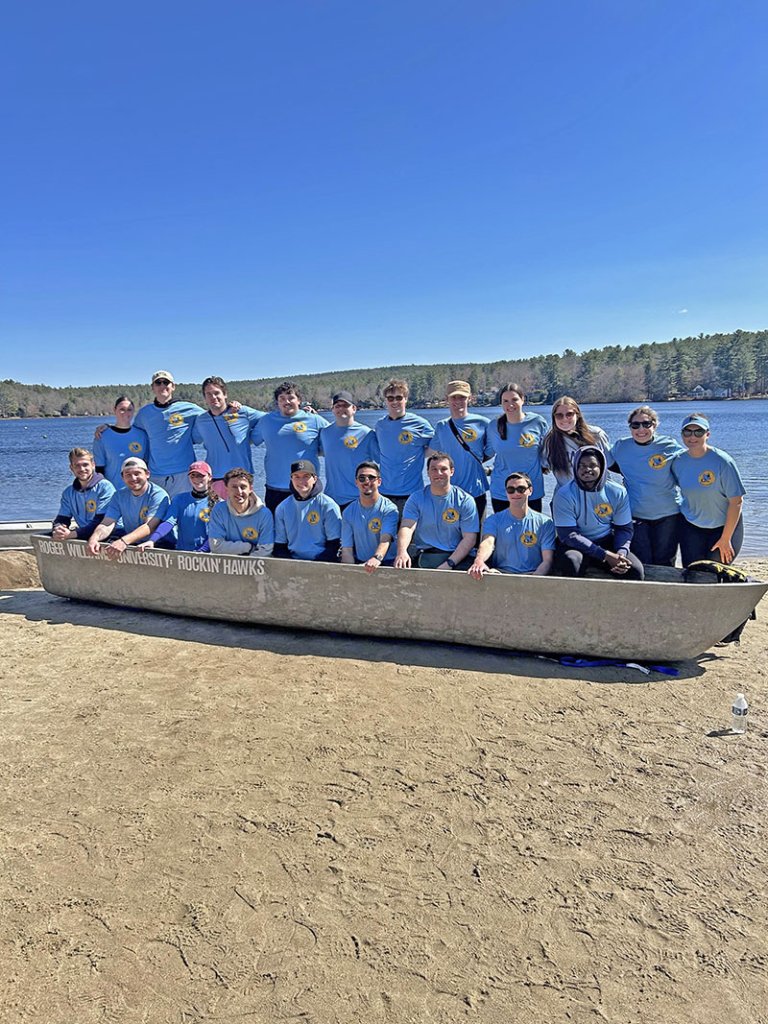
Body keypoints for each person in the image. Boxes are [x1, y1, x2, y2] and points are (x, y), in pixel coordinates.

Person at [552, 447, 643, 579]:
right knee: (571, 562)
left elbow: (624, 528)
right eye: (582, 465)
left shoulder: (617, 492)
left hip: (605, 540)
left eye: (592, 465)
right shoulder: (564, 494)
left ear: (602, 467)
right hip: (575, 545)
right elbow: (568, 535)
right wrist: (604, 555)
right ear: (575, 468)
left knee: (635, 571)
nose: (587, 469)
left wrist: (621, 554)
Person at [609, 406, 684, 566]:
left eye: (646, 424)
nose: (641, 429)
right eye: (635, 425)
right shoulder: (621, 446)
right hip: (636, 515)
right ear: (630, 427)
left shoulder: (668, 445)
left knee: (665, 563)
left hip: (668, 515)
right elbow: (600, 462)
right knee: (643, 562)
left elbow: (690, 464)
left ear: (654, 425)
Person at [670, 413, 746, 566]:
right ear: (682, 435)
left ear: (707, 434)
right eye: (687, 432)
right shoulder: (678, 461)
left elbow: (737, 501)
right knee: (693, 571)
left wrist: (725, 538)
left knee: (715, 569)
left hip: (723, 527)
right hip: (691, 525)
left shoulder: (723, 461)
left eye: (698, 432)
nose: (692, 437)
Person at [250, 381, 327, 513]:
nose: (287, 402)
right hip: (275, 488)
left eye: (291, 398)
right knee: (278, 526)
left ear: (299, 400)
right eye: (282, 398)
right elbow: (247, 440)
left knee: (310, 525)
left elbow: (334, 442)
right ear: (277, 402)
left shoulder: (315, 420)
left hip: (306, 488)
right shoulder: (266, 421)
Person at [394, 452, 479, 570]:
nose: (438, 473)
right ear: (428, 472)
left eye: (443, 469)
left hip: (456, 556)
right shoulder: (416, 498)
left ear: (452, 471)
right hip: (426, 554)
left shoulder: (465, 500)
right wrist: (402, 552)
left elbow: (470, 538)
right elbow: (407, 527)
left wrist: (449, 564)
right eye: (434, 469)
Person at [131, 371, 204, 498]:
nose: (162, 386)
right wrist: (109, 428)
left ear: (173, 386)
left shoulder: (189, 408)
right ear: (153, 387)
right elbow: (130, 433)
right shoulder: (144, 414)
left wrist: (233, 408)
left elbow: (214, 417)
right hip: (156, 475)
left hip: (184, 474)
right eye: (158, 383)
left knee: (182, 509)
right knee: (157, 510)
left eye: (166, 382)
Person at [468, 472, 555, 578]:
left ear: (530, 490)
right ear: (506, 492)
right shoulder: (493, 520)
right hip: (501, 574)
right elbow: (488, 542)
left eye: (521, 489)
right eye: (511, 490)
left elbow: (547, 561)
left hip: (532, 575)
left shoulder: (545, 523)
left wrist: (532, 580)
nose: (516, 493)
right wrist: (479, 561)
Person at [191, 376, 264, 497]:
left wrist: (252, 437)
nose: (213, 397)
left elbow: (268, 420)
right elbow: (191, 439)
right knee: (215, 510)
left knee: (244, 509)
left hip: (242, 478)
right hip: (215, 479)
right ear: (205, 398)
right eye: (208, 394)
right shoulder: (201, 420)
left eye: (216, 393)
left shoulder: (242, 412)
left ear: (225, 394)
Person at [86, 457, 170, 560]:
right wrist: (94, 538)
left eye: (137, 473)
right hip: (133, 542)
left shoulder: (158, 495)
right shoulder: (119, 496)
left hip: (160, 543)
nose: (133, 478)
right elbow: (107, 523)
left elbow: (149, 526)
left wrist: (123, 541)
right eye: (128, 475)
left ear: (147, 474)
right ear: (122, 477)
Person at [428, 380, 491, 519]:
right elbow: (430, 453)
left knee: (478, 531)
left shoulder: (483, 423)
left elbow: (492, 450)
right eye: (454, 397)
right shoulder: (441, 426)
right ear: (447, 399)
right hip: (449, 492)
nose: (458, 401)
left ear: (470, 398)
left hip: (476, 491)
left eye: (462, 397)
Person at [374, 379, 434, 515]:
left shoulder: (420, 424)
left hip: (412, 493)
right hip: (384, 493)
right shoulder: (380, 425)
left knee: (410, 529)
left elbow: (437, 448)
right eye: (390, 398)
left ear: (406, 399)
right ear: (386, 401)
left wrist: (418, 454)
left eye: (399, 397)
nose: (394, 401)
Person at [485, 382, 548, 514]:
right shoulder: (493, 426)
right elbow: (487, 453)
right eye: (505, 401)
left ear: (523, 399)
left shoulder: (537, 422)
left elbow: (547, 453)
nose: (510, 404)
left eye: (514, 399)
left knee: (532, 528)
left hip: (531, 491)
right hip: (502, 492)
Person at [141, 461, 220, 552]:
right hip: (182, 553)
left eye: (200, 475)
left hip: (207, 554)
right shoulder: (179, 499)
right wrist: (152, 540)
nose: (196, 479)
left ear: (209, 477)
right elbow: (168, 523)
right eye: (192, 475)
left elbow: (216, 533)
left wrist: (201, 551)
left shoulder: (218, 503)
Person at [319, 390, 380, 510]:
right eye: (337, 406)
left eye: (345, 405)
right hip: (331, 500)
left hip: (358, 500)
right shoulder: (325, 433)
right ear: (333, 410)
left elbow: (383, 462)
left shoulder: (367, 433)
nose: (341, 408)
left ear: (354, 409)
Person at [273, 460, 342, 561]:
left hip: (322, 561)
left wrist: (313, 565)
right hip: (293, 561)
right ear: (291, 479)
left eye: (306, 476)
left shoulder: (328, 505)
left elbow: (334, 545)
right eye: (296, 477)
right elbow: (280, 546)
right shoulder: (282, 508)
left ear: (315, 479)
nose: (301, 481)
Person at [340, 461, 399, 571]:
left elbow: (385, 539)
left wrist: (376, 558)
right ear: (356, 482)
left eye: (371, 478)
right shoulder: (348, 512)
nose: (366, 482)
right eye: (362, 478)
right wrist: (349, 572)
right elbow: (347, 549)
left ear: (379, 481)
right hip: (360, 564)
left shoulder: (389, 509)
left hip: (386, 564)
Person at [542, 396, 610, 489]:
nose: (564, 419)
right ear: (554, 418)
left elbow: (610, 463)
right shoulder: (549, 440)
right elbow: (543, 466)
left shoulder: (596, 434)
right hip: (566, 494)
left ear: (577, 415)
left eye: (569, 414)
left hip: (597, 492)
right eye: (559, 415)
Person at [52, 448, 116, 542]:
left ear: (93, 465)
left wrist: (71, 534)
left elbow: (101, 522)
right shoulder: (68, 493)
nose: (82, 469)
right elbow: (62, 518)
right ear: (71, 468)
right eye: (77, 465)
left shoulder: (105, 488)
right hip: (85, 534)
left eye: (85, 465)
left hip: (111, 534)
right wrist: (58, 529)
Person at [207, 467, 274, 556]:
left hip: (255, 562)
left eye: (243, 487)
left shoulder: (264, 514)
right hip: (228, 561)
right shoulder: (219, 510)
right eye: (234, 487)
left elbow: (265, 550)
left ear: (250, 489)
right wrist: (248, 547)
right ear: (226, 489)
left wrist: (245, 562)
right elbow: (216, 546)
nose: (239, 491)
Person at [93, 397, 150, 487]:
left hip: (137, 490)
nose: (126, 413)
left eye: (129, 410)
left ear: (133, 411)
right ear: (114, 410)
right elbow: (99, 470)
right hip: (113, 490)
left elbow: (147, 464)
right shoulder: (102, 436)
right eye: (122, 409)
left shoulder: (142, 435)